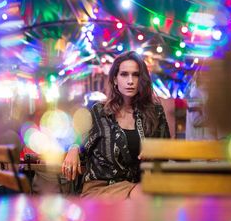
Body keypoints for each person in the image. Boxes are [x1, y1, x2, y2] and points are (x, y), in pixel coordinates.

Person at [62, 51, 170, 200]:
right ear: (115, 79)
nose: (130, 81)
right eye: (124, 74)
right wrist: (73, 149)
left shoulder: (155, 112)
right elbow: (78, 140)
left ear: (142, 79)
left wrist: (154, 154)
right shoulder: (98, 111)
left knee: (152, 194)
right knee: (145, 195)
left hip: (141, 185)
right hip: (101, 188)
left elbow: (166, 152)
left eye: (136, 75)